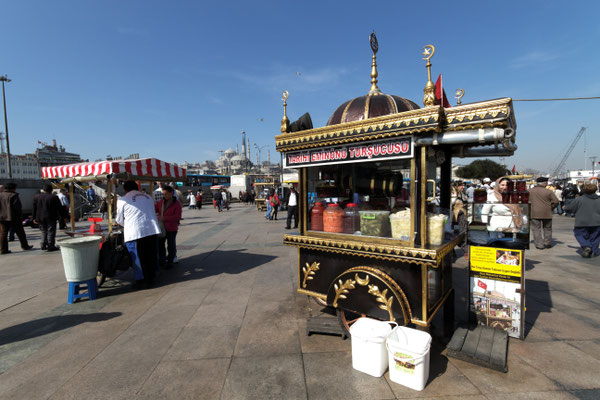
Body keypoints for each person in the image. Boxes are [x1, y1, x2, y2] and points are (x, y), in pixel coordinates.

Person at [116, 180, 161, 289]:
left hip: (135, 232)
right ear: (137, 187)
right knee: (150, 255)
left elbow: (119, 220)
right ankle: (151, 277)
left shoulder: (122, 200)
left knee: (137, 258)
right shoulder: (148, 197)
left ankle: (140, 280)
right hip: (152, 230)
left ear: (125, 189)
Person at [476, 177, 525, 244]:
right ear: (497, 185)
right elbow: (485, 212)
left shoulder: (513, 196)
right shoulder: (492, 196)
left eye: (507, 185)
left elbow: (519, 209)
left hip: (511, 227)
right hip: (497, 228)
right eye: (502, 185)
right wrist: (484, 225)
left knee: (509, 246)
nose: (505, 187)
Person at [564, 183, 600, 258]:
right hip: (597, 222)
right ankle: (594, 251)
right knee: (595, 237)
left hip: (582, 222)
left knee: (579, 234)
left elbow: (570, 209)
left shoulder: (579, 200)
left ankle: (586, 246)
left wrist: (565, 207)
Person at [0, 182, 34, 254]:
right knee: (20, 233)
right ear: (13, 188)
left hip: (2, 218)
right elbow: (17, 208)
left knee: (3, 234)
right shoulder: (14, 195)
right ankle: (25, 246)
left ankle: (3, 249)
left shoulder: (0, 195)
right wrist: (20, 217)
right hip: (14, 218)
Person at [155, 186, 182, 267]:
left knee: (171, 245)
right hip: (162, 227)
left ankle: (171, 259)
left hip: (172, 228)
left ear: (171, 193)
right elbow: (155, 208)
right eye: (163, 194)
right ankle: (162, 260)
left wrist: (164, 218)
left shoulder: (176, 204)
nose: (165, 196)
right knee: (161, 244)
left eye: (166, 194)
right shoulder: (161, 202)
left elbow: (177, 217)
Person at [529, 177, 559, 249]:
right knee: (547, 228)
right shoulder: (548, 192)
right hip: (547, 213)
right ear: (544, 183)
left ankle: (539, 245)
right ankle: (547, 243)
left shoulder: (529, 191)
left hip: (534, 213)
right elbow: (556, 201)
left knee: (536, 229)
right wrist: (551, 208)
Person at [33, 183, 62, 251]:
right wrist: (62, 217)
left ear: (43, 190)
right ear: (51, 190)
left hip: (40, 217)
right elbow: (59, 208)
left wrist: (34, 217)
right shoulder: (54, 197)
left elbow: (34, 208)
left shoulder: (36, 197)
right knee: (51, 231)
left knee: (43, 231)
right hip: (51, 217)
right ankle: (50, 245)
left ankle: (43, 244)